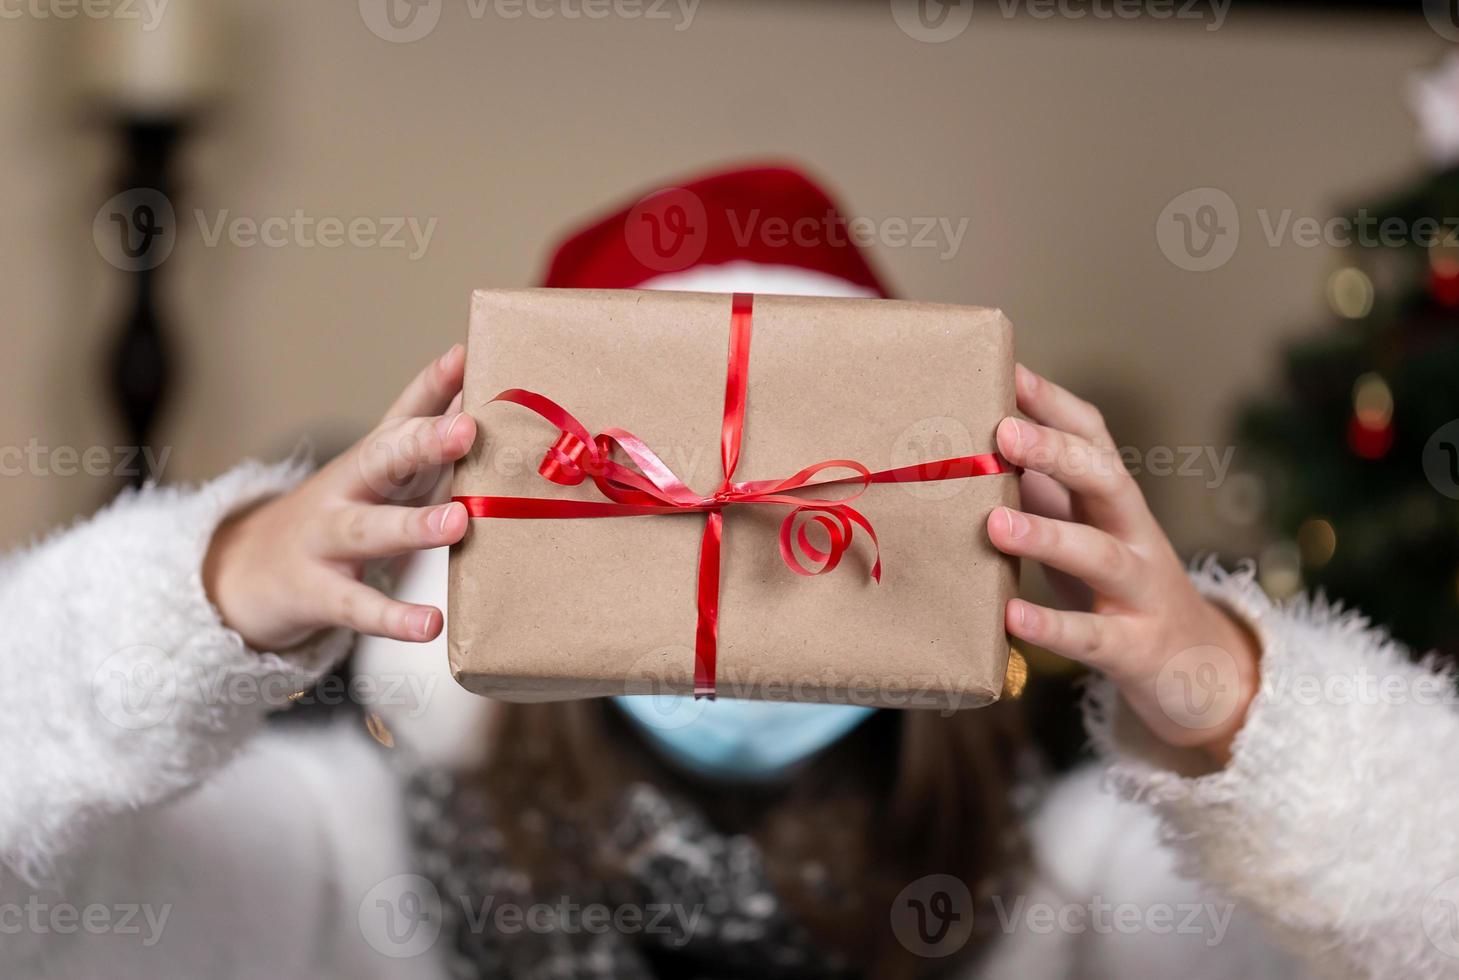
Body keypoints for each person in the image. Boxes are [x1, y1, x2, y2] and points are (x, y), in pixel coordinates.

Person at [1, 165, 1454, 980]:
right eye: (652, 503)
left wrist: (1244, 711)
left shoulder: (1082, 892)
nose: (727, 525)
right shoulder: (336, 851)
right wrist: (208, 591)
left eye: (789, 507)